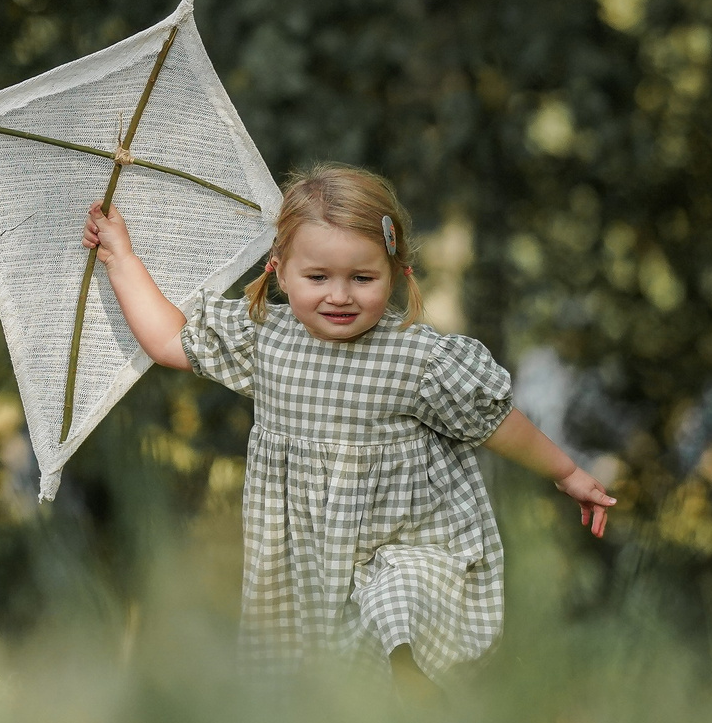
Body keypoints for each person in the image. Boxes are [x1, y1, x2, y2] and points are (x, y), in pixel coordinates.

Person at [83, 164, 613, 691]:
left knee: (399, 605)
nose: (340, 295)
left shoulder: (417, 358)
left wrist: (567, 473)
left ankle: (419, 699)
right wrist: (121, 258)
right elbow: (169, 341)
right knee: (319, 682)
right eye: (318, 278)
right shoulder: (264, 339)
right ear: (280, 271)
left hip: (407, 542)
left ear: (397, 273)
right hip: (307, 556)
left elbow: (496, 424)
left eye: (362, 278)